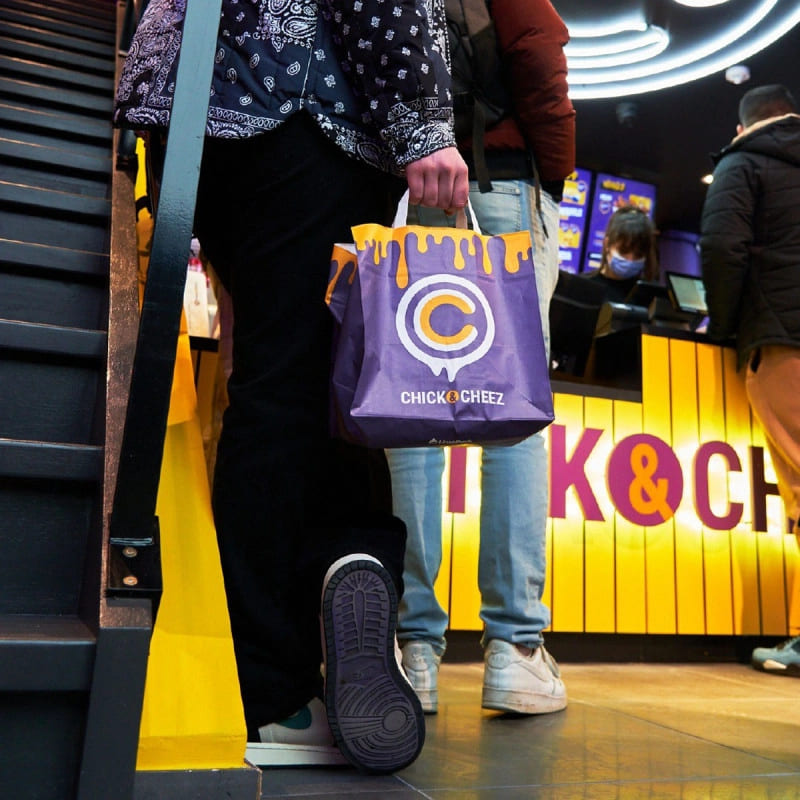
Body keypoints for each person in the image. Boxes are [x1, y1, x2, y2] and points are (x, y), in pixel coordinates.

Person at [114, 0, 469, 773]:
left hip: (209, 96)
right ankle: (271, 685)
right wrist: (423, 126)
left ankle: (314, 610)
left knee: (285, 382)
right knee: (309, 392)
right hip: (306, 105)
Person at [386, 0, 575, 715]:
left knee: (411, 414)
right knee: (515, 420)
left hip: (410, 184)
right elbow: (538, 56)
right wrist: (550, 178)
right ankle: (515, 649)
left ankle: (414, 650)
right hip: (502, 184)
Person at [700, 83, 800, 677]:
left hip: (782, 342)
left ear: (744, 126)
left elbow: (721, 247)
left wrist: (729, 328)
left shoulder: (744, 162)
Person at [582, 205, 659, 304]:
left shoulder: (651, 296)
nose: (630, 259)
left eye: (638, 254)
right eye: (624, 251)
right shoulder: (582, 287)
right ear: (607, 244)